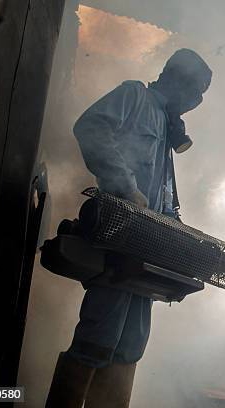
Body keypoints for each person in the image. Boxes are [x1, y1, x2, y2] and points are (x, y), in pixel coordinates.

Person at [46, 49, 212, 408]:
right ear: (177, 79)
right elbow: (89, 127)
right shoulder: (135, 96)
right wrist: (124, 186)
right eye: (197, 91)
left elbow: (163, 194)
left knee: (131, 345)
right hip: (119, 241)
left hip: (146, 251)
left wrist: (179, 233)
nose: (196, 102)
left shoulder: (167, 128)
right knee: (97, 338)